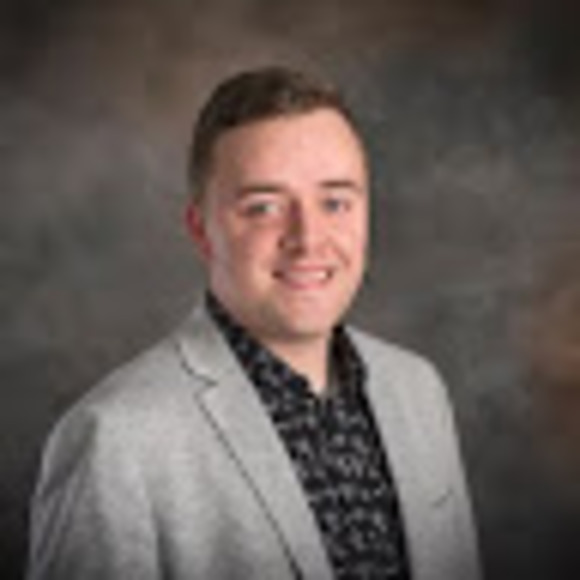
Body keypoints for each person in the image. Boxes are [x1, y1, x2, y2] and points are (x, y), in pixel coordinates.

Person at [27, 67, 481, 580]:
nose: (308, 239)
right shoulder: (114, 440)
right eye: (263, 207)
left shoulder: (418, 390)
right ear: (202, 230)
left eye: (335, 202)